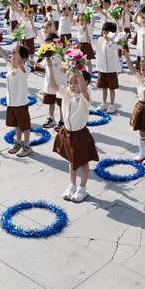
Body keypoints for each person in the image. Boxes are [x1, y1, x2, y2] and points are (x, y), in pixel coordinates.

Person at [49, 66, 99, 203]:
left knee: (83, 161)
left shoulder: (84, 96)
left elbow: (82, 89)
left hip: (80, 134)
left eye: (76, 82)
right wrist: (50, 68)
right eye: (70, 82)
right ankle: (72, 185)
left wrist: (78, 72)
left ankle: (83, 188)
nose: (72, 85)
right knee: (72, 160)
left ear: (85, 82)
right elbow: (53, 84)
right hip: (68, 133)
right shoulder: (66, 93)